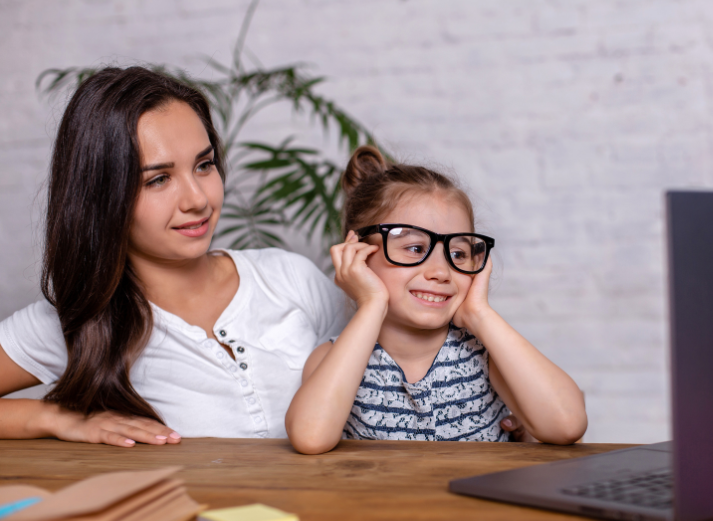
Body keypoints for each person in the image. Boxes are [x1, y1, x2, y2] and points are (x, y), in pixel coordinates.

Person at [0, 67, 348, 447]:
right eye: (158, 179)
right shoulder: (81, 321)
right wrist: (54, 417)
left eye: (204, 165)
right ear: (103, 196)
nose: (197, 199)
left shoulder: (289, 277)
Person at [285, 146, 587, 454]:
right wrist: (371, 303)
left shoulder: (486, 355)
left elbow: (567, 424)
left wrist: (479, 314)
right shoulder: (334, 358)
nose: (441, 271)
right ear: (357, 253)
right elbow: (311, 438)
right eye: (415, 249)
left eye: (458, 254)